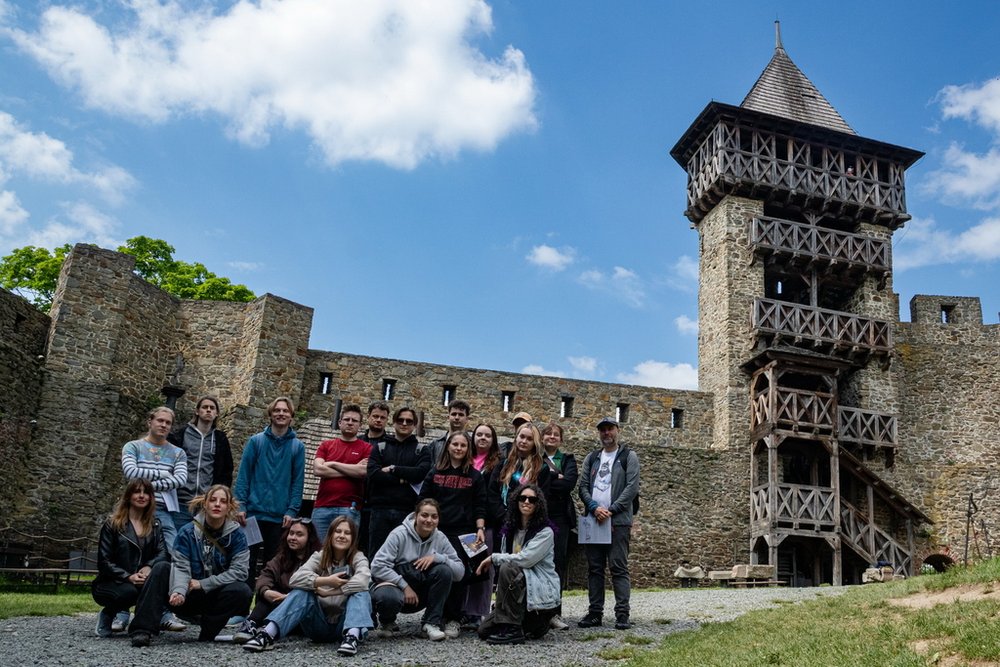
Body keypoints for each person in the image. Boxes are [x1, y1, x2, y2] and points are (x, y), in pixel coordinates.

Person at [139, 484, 253, 646]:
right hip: (186, 593)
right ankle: (143, 630)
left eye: (223, 501)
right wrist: (178, 591)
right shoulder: (187, 532)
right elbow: (180, 565)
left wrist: (203, 584)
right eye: (213, 500)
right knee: (161, 568)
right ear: (205, 504)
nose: (217, 504)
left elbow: (240, 572)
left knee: (242, 590)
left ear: (229, 507)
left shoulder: (237, 536)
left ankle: (208, 631)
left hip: (213, 594)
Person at [243, 516, 375, 656]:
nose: (342, 536)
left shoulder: (358, 557)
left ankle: (352, 638)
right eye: (338, 531)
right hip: (318, 624)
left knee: (361, 592)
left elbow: (364, 581)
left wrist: (328, 592)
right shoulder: (319, 556)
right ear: (330, 535)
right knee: (301, 591)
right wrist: (326, 581)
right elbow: (295, 579)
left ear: (353, 538)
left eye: (347, 533)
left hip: (344, 624)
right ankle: (267, 635)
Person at [120, 405, 188, 632]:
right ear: (150, 421)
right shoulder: (133, 447)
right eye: (160, 420)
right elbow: (130, 473)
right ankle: (120, 609)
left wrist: (145, 483)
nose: (164, 425)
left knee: (170, 554)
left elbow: (180, 479)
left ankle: (164, 610)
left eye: (168, 423)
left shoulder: (178, 453)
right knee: (128, 553)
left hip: (163, 510)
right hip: (134, 510)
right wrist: (162, 476)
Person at [419, 430, 487, 638]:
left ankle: (454, 618)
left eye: (463, 445)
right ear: (448, 446)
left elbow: (480, 504)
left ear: (468, 449)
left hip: (464, 533)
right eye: (455, 444)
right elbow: (423, 500)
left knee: (461, 574)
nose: (458, 448)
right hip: (437, 531)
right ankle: (433, 616)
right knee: (437, 573)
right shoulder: (435, 472)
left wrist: (480, 529)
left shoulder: (474, 476)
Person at [234, 396, 306, 587]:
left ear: (291, 416)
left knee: (273, 563)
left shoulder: (297, 447)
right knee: (246, 560)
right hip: (252, 514)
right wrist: (240, 505)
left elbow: (298, 481)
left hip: (279, 517)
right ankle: (242, 604)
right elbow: (244, 475)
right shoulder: (256, 441)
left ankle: (263, 604)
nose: (281, 414)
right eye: (277, 410)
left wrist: (292, 510)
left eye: (285, 411)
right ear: (270, 414)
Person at [475, 483, 560, 645]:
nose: (527, 502)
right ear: (516, 501)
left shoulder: (545, 532)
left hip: (537, 588)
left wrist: (493, 558)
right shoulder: (509, 530)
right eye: (523, 498)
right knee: (484, 630)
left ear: (538, 504)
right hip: (517, 586)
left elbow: (525, 560)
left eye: (532, 499)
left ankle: (515, 630)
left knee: (509, 566)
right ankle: (530, 626)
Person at [369, 498, 464, 641]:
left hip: (421, 593)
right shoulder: (398, 534)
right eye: (424, 515)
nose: (429, 520)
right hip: (396, 589)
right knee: (387, 597)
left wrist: (439, 558)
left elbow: (460, 573)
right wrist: (404, 586)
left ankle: (431, 623)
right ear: (416, 515)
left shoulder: (440, 538)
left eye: (434, 516)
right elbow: (377, 566)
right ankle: (386, 621)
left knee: (444, 570)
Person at [577, 417, 640, 630]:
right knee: (595, 569)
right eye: (603, 430)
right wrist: (594, 507)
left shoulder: (628, 457)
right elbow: (583, 486)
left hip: (618, 522)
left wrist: (611, 510)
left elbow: (631, 488)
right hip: (594, 520)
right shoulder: (592, 458)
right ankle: (595, 613)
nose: (606, 433)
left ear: (617, 430)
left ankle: (622, 614)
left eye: (610, 429)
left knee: (618, 567)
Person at [92, 479, 170, 639]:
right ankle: (108, 613)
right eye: (137, 492)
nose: (142, 496)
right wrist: (128, 576)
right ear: (128, 496)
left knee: (158, 581)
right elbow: (104, 561)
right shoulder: (112, 524)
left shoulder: (155, 525)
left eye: (146, 492)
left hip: (143, 579)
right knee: (129, 592)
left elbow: (162, 553)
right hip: (113, 581)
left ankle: (144, 625)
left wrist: (149, 567)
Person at [232, 518, 321, 643]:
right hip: (280, 604)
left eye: (299, 534)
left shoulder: (318, 559)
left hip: (303, 611)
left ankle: (266, 628)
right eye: (291, 533)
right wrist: (267, 591)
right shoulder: (282, 557)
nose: (293, 538)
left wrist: (290, 599)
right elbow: (266, 575)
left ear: (309, 538)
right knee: (265, 593)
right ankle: (250, 624)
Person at [365, 406, 432, 556]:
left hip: (407, 512)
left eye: (409, 421)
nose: (404, 423)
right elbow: (374, 474)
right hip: (380, 510)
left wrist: (393, 468)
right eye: (400, 420)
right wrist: (405, 479)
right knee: (377, 556)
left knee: (404, 557)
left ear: (414, 425)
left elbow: (420, 474)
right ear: (394, 423)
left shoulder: (422, 450)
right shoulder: (380, 448)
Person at [167, 395, 234, 532]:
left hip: (205, 504)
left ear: (216, 414)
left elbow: (226, 470)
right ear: (197, 411)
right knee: (176, 543)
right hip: (181, 502)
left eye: (212, 408)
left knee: (201, 546)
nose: (208, 410)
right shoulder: (181, 434)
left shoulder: (220, 439)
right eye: (205, 407)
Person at [464, 423, 504, 627]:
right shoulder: (465, 458)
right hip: (464, 521)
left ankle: (477, 611)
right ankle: (461, 609)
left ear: (493, 440)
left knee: (481, 566)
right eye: (479, 434)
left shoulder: (498, 463)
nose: (482, 438)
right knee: (464, 566)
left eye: (487, 435)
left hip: (484, 522)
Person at [312, 404, 371, 542]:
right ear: (340, 423)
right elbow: (318, 470)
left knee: (343, 552)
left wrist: (332, 464)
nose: (350, 423)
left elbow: (363, 472)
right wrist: (352, 469)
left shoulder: (366, 448)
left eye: (354, 420)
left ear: (360, 425)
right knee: (317, 551)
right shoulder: (326, 445)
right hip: (322, 507)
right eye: (347, 419)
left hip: (349, 508)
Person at [541, 421, 578, 630]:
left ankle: (555, 612)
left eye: (556, 434)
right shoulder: (536, 457)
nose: (552, 437)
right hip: (539, 515)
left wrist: (548, 479)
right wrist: (556, 475)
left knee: (557, 563)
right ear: (542, 437)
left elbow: (569, 484)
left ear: (561, 439)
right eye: (548, 434)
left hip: (559, 518)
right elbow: (533, 481)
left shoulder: (568, 459)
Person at [487, 422, 551, 531]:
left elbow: (542, 497)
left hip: (527, 524)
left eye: (529, 439)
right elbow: (493, 491)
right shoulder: (503, 464)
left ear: (534, 443)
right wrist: (504, 516)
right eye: (522, 437)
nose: (524, 441)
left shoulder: (542, 469)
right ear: (516, 438)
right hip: (502, 522)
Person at [428, 399, 471, 464]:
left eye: (461, 414)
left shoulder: (472, 444)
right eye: (454, 414)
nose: (457, 417)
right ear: (448, 417)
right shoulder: (435, 444)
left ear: (466, 419)